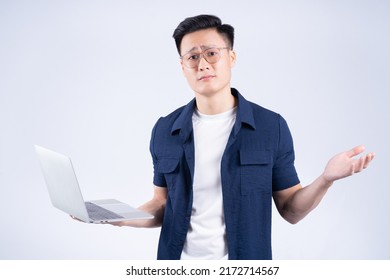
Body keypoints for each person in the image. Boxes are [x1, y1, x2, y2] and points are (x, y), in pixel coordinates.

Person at [85, 15, 375, 260]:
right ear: (182, 66)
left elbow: (291, 210)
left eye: (212, 53)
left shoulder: (270, 126)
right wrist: (115, 216)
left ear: (231, 57)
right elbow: (161, 206)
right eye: (192, 57)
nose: (203, 64)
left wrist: (326, 178)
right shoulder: (165, 129)